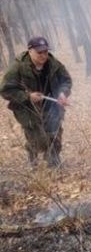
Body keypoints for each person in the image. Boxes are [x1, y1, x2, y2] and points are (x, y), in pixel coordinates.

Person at [0, 36, 72, 168]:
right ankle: (33, 157)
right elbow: (5, 90)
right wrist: (28, 96)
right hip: (28, 110)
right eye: (39, 52)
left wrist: (63, 92)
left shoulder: (54, 63)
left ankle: (54, 163)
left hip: (52, 106)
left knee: (55, 135)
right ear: (30, 51)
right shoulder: (18, 67)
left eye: (45, 51)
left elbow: (66, 80)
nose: (43, 55)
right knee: (39, 139)